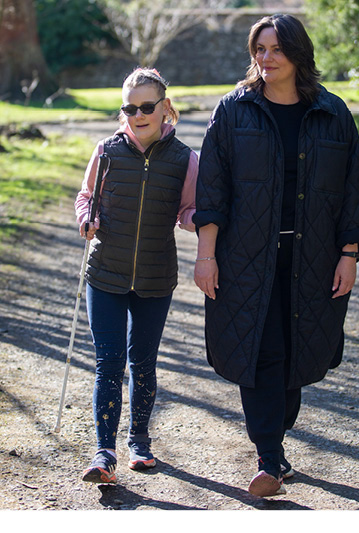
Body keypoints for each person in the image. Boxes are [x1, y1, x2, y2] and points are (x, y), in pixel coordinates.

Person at [193, 14, 359, 497]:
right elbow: (213, 189)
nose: (265, 58)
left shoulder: (333, 113)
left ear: (297, 53)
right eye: (259, 49)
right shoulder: (233, 111)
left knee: (298, 352)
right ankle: (268, 458)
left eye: (275, 49)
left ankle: (276, 439)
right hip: (247, 258)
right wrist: (206, 256)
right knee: (261, 350)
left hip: (312, 257)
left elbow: (354, 190)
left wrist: (349, 252)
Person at [75, 67, 197, 484]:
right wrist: (84, 218)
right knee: (107, 363)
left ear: (165, 109)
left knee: (142, 363)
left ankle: (139, 441)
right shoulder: (107, 151)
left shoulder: (185, 159)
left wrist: (197, 218)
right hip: (105, 272)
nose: (138, 114)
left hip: (154, 277)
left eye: (147, 106)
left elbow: (188, 210)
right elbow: (86, 196)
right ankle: (103, 452)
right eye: (130, 106)